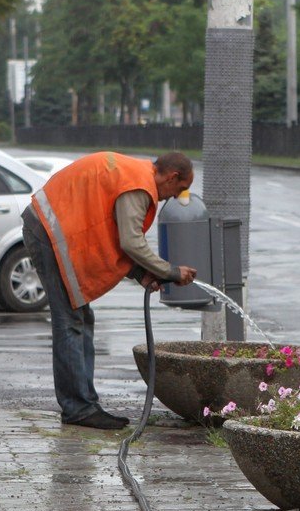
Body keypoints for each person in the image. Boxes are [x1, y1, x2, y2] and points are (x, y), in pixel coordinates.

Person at [22, 151, 197, 430]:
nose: (176, 196)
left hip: (50, 227)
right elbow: (131, 243)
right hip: (49, 232)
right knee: (70, 322)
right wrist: (171, 272)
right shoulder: (138, 186)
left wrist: (141, 274)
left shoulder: (135, 175)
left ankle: (83, 403)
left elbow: (110, 235)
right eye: (181, 188)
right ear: (172, 176)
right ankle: (78, 409)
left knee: (80, 319)